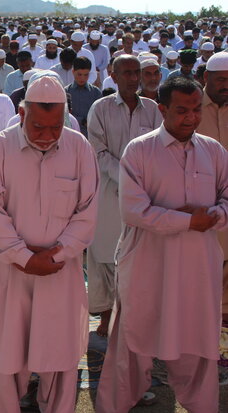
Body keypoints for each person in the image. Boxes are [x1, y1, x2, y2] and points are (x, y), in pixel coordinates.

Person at [95, 76, 228, 413]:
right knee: (132, 341)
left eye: (196, 110)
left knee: (197, 346)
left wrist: (212, 214)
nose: (191, 117)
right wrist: (189, 221)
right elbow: (135, 211)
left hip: (198, 266)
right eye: (182, 111)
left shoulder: (214, 151)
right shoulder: (139, 150)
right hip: (147, 265)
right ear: (163, 109)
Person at [0, 74, 99, 413]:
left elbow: (87, 211)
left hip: (61, 270)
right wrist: (25, 258)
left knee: (60, 350)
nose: (47, 136)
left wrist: (59, 254)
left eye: (55, 127)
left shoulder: (79, 148)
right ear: (21, 114)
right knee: (7, 349)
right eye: (38, 127)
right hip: (9, 272)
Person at [86, 55, 163, 337]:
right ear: (113, 75)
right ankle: (107, 321)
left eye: (136, 73)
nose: (133, 78)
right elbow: (98, 151)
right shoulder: (101, 108)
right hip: (108, 194)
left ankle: (135, 320)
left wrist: (142, 181)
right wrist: (128, 176)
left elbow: (159, 150)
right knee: (104, 257)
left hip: (146, 195)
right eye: (127, 73)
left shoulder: (153, 110)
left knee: (138, 259)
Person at [198, 52, 228, 325]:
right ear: (206, 78)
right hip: (202, 204)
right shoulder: (192, 107)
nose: (226, 85)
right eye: (221, 80)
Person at [65, 56, 102, 137]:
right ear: (73, 72)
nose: (82, 78)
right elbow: (64, 116)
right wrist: (81, 121)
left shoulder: (96, 92)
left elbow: (101, 115)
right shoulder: (66, 92)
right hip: (71, 136)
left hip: (92, 137)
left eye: (86, 75)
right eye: (79, 74)